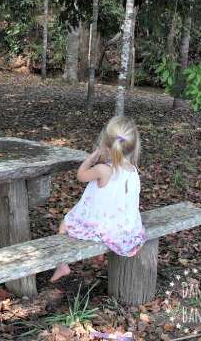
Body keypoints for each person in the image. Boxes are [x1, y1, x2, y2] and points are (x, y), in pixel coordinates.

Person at [50, 115, 145, 283]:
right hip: (127, 228)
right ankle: (99, 253)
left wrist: (90, 159)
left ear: (108, 149)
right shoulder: (133, 171)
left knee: (66, 223)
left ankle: (62, 265)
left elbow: (80, 176)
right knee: (104, 215)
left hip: (104, 228)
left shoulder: (102, 170)